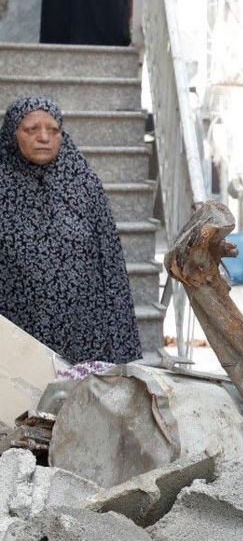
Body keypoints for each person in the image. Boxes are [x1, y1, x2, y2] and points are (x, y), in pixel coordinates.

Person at [0, 97, 141, 364]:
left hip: (80, 327)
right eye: (31, 130)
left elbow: (110, 263)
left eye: (53, 130)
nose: (44, 137)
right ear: (12, 133)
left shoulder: (84, 184)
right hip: (13, 326)